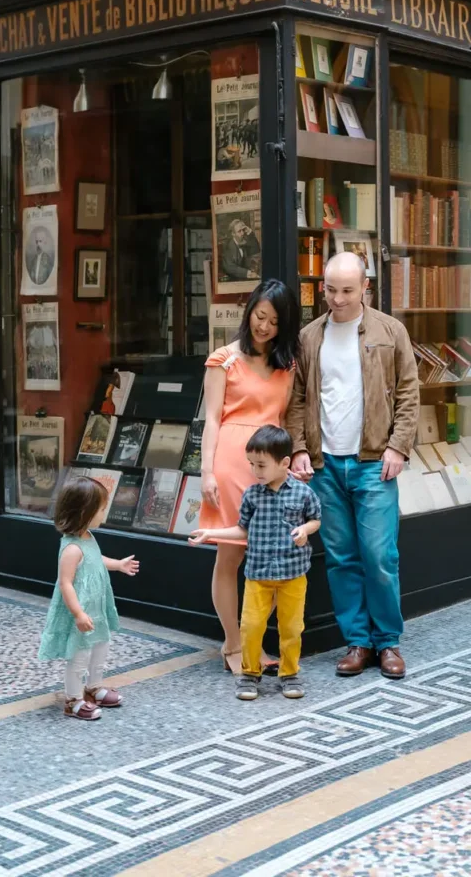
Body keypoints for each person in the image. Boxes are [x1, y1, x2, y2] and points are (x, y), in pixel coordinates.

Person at [287, 252, 419, 680]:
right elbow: (298, 399)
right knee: (342, 558)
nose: (338, 299)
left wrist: (398, 447)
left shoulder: (390, 331)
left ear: (366, 287)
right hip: (324, 466)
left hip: (372, 462)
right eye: (330, 289)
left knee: (380, 555)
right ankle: (358, 642)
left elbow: (409, 393)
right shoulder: (309, 337)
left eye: (347, 290)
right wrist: (299, 449)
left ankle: (388, 642)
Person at [200, 279, 300, 674]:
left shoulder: (287, 364)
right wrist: (206, 471)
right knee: (231, 555)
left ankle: (253, 639)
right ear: (249, 311)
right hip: (231, 459)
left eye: (274, 322)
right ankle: (232, 644)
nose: (264, 327)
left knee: (273, 556)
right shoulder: (223, 359)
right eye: (260, 316)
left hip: (273, 467)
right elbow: (210, 418)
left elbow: (288, 416)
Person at [191, 425, 320, 700]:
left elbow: (315, 519)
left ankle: (290, 673)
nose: (255, 471)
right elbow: (243, 531)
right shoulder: (251, 495)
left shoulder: (303, 493)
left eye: (261, 465)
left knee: (292, 627)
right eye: (251, 464)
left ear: (284, 463)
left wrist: (305, 531)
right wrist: (211, 532)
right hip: (258, 574)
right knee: (250, 626)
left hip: (293, 574)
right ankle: (250, 673)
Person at [38, 474, 139, 720]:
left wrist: (118, 564)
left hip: (97, 610)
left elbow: (95, 561)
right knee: (79, 656)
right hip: (81, 613)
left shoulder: (88, 538)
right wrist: (78, 613)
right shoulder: (71, 548)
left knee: (100, 649)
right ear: (84, 511)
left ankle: (94, 687)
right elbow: (66, 584)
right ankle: (73, 699)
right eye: (101, 509)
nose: (104, 514)